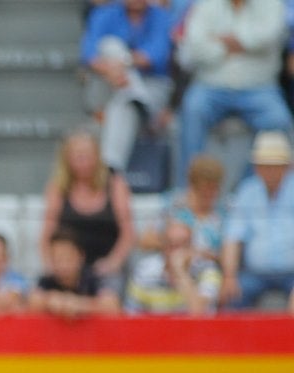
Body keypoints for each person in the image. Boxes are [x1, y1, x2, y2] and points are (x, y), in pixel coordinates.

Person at [176, 0, 292, 179]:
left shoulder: (271, 4)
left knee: (278, 119)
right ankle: (190, 188)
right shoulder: (206, 4)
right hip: (211, 86)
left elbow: (270, 36)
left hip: (259, 87)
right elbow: (196, 47)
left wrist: (221, 40)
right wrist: (241, 45)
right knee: (193, 108)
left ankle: (247, 190)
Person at [38, 128, 135, 296]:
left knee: (110, 291)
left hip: (105, 266)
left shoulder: (115, 183)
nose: (83, 161)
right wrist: (51, 265)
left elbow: (128, 233)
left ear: (97, 156)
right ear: (67, 159)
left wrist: (113, 262)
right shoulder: (58, 187)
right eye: (77, 156)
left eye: (87, 155)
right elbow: (47, 234)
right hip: (66, 267)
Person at [81, 0, 174, 172]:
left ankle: (111, 170)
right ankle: (136, 99)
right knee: (110, 45)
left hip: (152, 87)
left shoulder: (162, 17)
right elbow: (89, 54)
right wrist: (112, 71)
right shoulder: (104, 14)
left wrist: (124, 63)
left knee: (123, 105)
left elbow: (157, 55)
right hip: (108, 85)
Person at [221, 128, 294, 307]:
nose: (269, 171)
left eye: (275, 165)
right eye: (264, 165)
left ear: (287, 166)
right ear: (256, 167)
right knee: (232, 296)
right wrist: (229, 275)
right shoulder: (247, 192)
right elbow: (232, 237)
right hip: (255, 273)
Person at [124, 218, 223, 314]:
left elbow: (200, 313)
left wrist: (180, 272)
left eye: (183, 245)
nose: (177, 252)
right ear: (163, 247)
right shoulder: (145, 269)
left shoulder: (208, 270)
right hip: (156, 328)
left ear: (192, 246)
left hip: (195, 329)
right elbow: (133, 313)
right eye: (172, 245)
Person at [30, 227, 121, 318]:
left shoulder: (92, 279)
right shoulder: (47, 281)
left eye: (68, 258)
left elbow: (112, 305)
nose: (63, 265)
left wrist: (80, 304)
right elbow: (33, 302)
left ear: (81, 256)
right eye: (58, 259)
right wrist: (50, 301)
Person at [165, 152, 227, 260]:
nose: (209, 194)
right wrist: (174, 242)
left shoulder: (223, 214)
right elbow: (146, 240)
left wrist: (202, 253)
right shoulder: (174, 206)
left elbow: (225, 254)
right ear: (193, 185)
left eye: (214, 189)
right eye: (204, 189)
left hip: (208, 269)